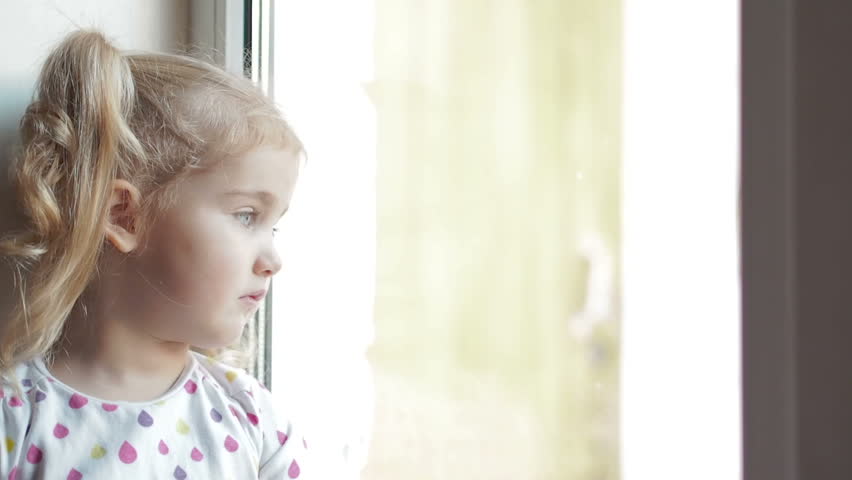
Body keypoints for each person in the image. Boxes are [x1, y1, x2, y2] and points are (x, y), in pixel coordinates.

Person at [0, 29, 309, 479]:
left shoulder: (254, 422)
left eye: (273, 224)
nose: (273, 260)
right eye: (246, 216)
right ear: (124, 217)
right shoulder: (17, 418)